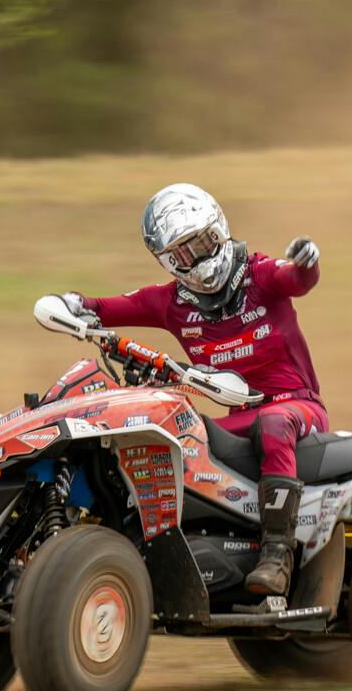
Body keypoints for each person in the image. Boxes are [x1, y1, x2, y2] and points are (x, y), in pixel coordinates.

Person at [40, 183, 325, 596]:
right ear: (166, 261)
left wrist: (306, 261)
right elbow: (99, 307)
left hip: (297, 406)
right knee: (176, 433)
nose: (198, 259)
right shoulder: (171, 303)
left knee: (273, 424)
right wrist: (66, 303)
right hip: (239, 415)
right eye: (181, 254)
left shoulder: (260, 274)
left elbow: (297, 279)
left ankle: (277, 555)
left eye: (203, 243)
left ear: (219, 229)